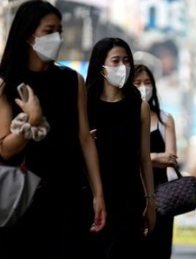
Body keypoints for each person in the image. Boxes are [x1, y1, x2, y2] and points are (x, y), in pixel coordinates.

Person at [0, 1, 106, 258]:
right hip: (25, 200)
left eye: (59, 30)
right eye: (48, 31)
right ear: (28, 35)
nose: (57, 37)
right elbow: (4, 149)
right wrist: (33, 121)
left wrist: (98, 194)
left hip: (69, 196)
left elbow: (85, 139)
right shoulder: (7, 83)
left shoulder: (72, 80)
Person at [86, 38, 156, 259]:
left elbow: (144, 158)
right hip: (91, 197)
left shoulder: (139, 107)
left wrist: (150, 201)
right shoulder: (84, 104)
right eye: (115, 61)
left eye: (127, 61)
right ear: (101, 67)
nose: (123, 67)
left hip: (129, 198)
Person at [134, 64, 178, 259]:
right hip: (132, 193)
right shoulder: (124, 118)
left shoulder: (165, 119)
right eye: (137, 82)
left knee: (159, 248)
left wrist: (141, 158)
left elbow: (171, 159)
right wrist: (156, 157)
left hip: (161, 196)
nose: (143, 87)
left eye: (147, 82)